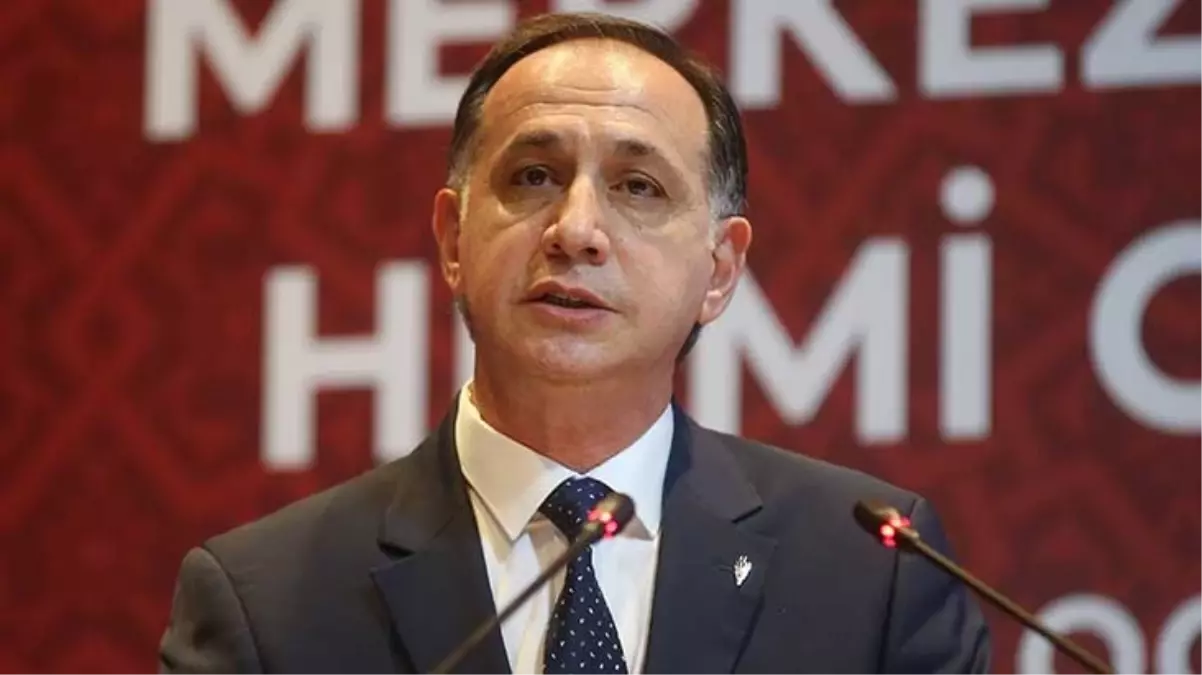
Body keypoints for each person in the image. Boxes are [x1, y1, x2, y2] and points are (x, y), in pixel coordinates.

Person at [159, 11, 991, 675]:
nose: (577, 229)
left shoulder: (871, 575)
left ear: (719, 270)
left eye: (639, 186)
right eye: (533, 177)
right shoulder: (267, 605)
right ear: (453, 239)